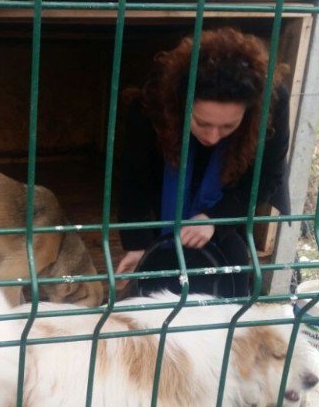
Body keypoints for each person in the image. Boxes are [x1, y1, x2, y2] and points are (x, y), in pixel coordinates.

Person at [114, 27, 291, 297]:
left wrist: (215, 219)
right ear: (183, 104)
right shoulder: (153, 101)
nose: (212, 136)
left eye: (227, 125)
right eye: (203, 123)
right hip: (168, 179)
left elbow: (267, 177)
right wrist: (138, 244)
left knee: (234, 275)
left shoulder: (272, 103)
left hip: (229, 186)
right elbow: (132, 177)